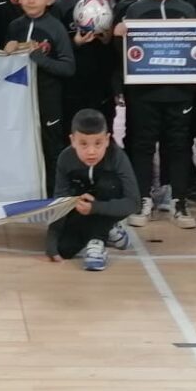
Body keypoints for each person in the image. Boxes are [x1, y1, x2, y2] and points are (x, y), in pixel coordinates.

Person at [114, 0, 196, 229]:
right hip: (144, 93)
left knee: (179, 145)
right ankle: (142, 199)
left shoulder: (187, 11)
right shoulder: (135, 12)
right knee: (142, 145)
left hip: (179, 92)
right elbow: (126, 55)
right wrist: (119, 37)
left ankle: (179, 201)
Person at [44, 110, 140, 272]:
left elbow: (134, 203)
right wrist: (51, 241)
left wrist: (96, 207)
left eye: (98, 143)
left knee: (108, 184)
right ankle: (109, 229)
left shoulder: (117, 157)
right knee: (64, 249)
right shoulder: (65, 159)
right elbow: (60, 201)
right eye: (83, 144)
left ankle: (97, 241)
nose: (91, 151)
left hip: (105, 201)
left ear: (107, 140)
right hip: (81, 208)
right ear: (73, 140)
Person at [6, 0, 76, 167]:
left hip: (48, 100)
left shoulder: (56, 28)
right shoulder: (14, 27)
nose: (31, 0)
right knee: (21, 145)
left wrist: (40, 59)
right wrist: (6, 51)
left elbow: (68, 67)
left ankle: (53, 185)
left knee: (51, 147)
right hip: (20, 100)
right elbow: (6, 66)